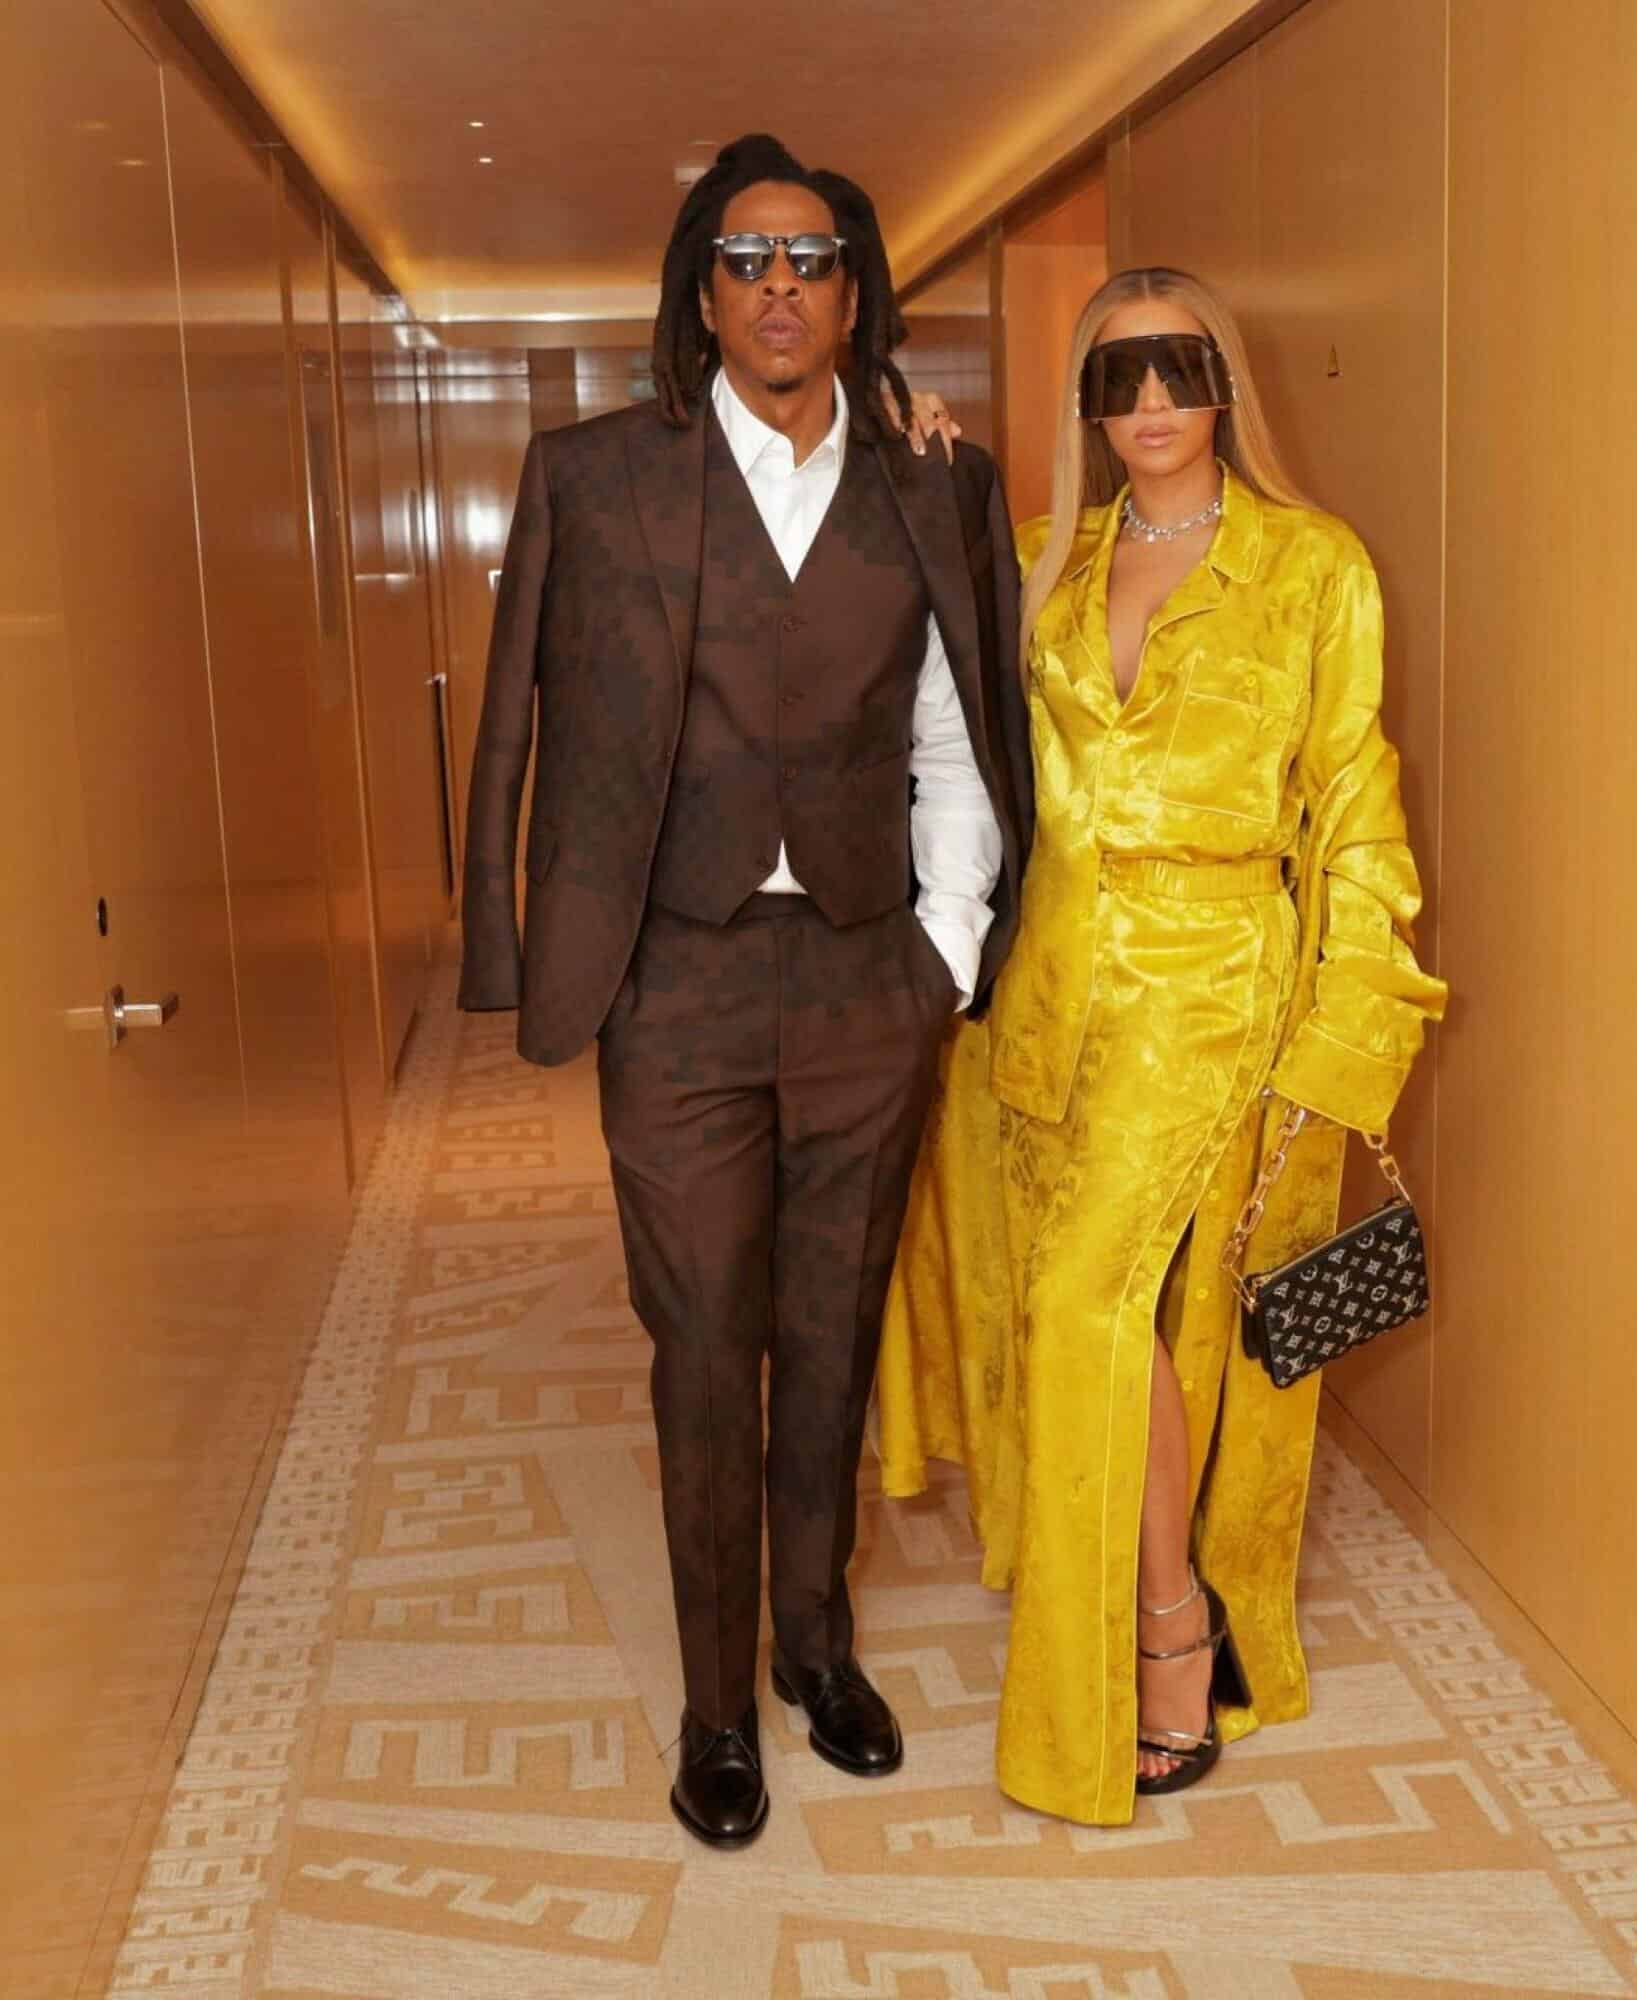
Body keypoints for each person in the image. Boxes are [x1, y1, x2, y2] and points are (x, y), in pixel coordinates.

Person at [457, 133, 1033, 1851]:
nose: (781, 286)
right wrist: (519, 944)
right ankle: (719, 1705)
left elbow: (962, 723)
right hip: (678, 981)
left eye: (812, 259)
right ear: (700, 294)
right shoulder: (591, 476)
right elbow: (516, 718)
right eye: (745, 258)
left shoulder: (935, 481)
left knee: (834, 1329)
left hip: (868, 975)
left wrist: (944, 943)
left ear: (856, 294)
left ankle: (814, 1646)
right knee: (708, 1339)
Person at [876, 266, 1446, 1826]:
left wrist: (1347, 1030)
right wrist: (923, 485)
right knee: (1099, 1316)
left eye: (1177, 370)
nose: (1147, 405)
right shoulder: (1045, 562)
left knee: (1088, 1303)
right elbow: (926, 693)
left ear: (1225, 385)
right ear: (1085, 402)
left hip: (1215, 984)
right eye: (1114, 377)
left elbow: (1356, 802)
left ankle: (1172, 1636)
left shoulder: (1310, 566)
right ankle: (1141, 1605)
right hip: (1049, 996)